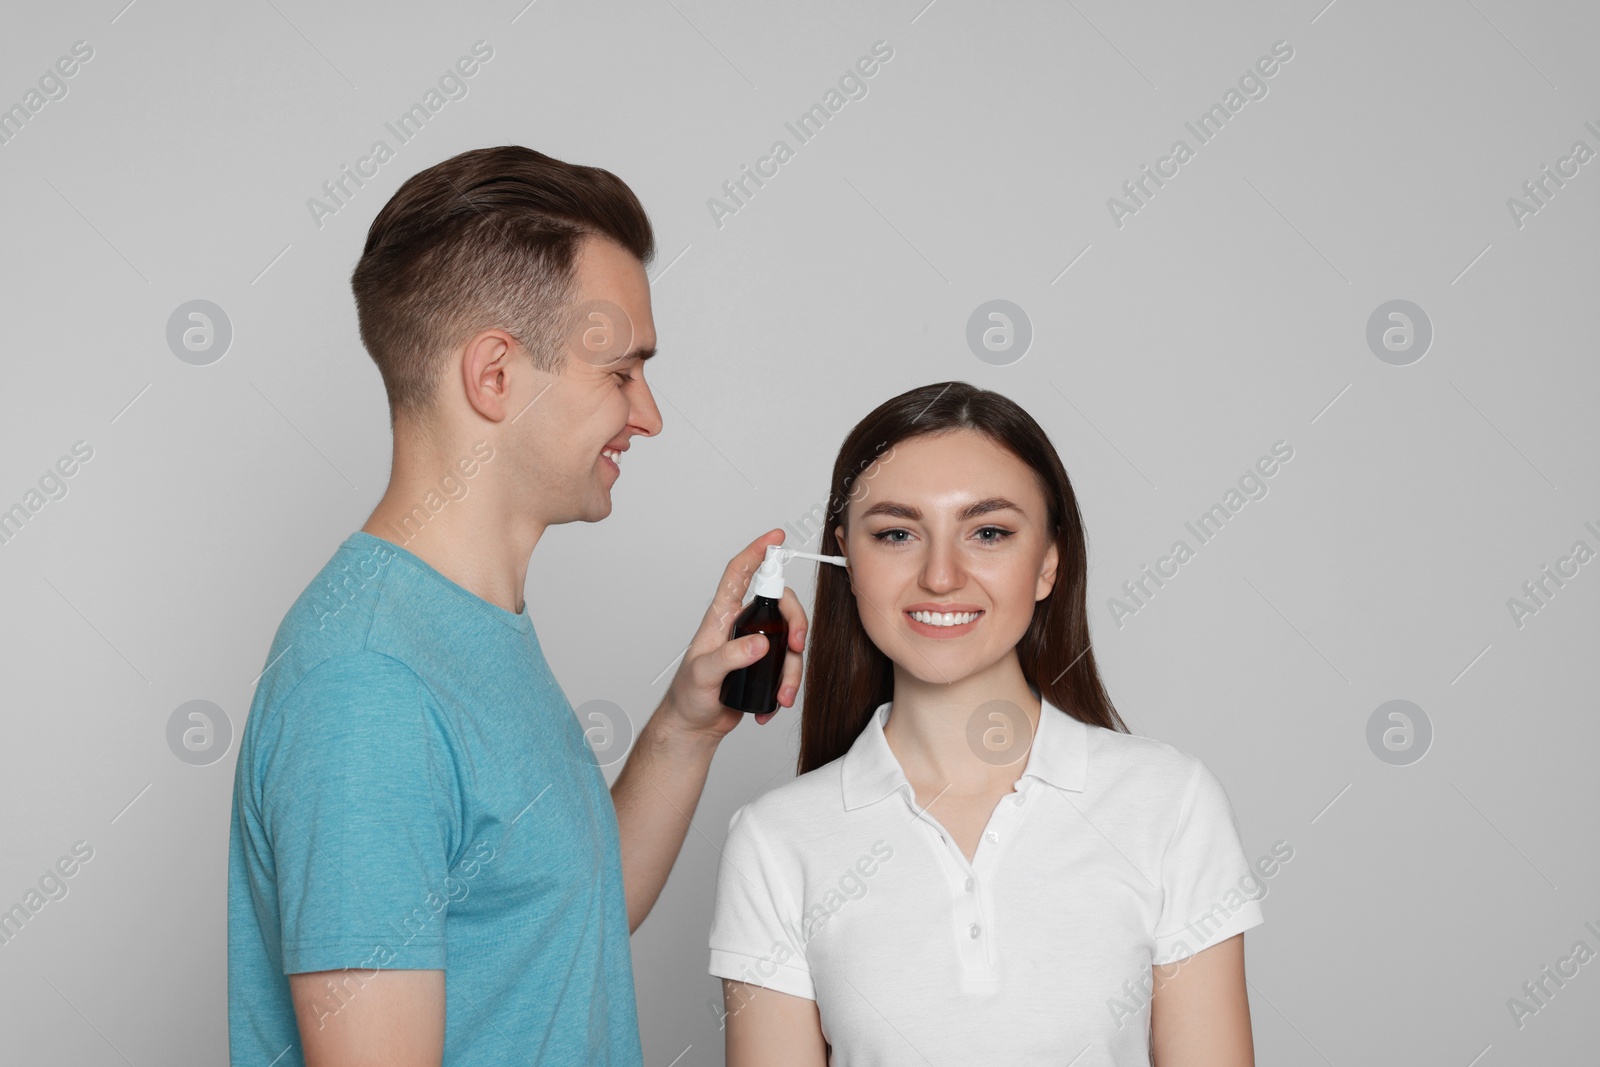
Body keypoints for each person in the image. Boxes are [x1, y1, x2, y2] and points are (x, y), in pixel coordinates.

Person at [227, 145, 809, 1066]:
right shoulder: (367, 685)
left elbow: (559, 922)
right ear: (495, 374)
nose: (648, 414)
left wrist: (687, 726)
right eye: (620, 372)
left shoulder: (467, 629)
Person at [709, 382, 1264, 1065]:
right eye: (896, 533)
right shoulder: (775, 841)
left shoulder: (1170, 804)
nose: (941, 576)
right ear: (847, 559)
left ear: (1048, 563)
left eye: (989, 532)